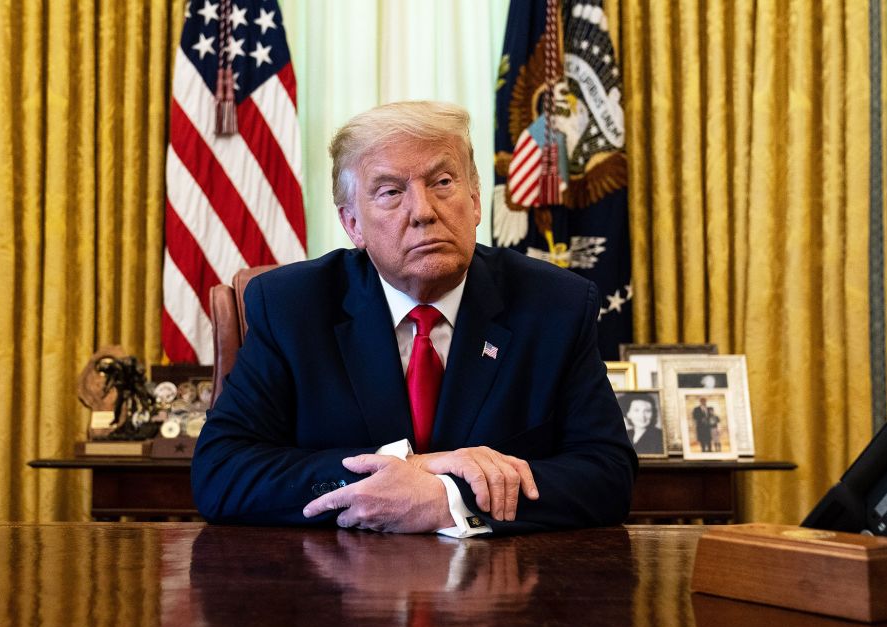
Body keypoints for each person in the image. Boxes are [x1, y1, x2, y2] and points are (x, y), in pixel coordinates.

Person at [191, 100, 637, 535]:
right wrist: (409, 468)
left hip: (500, 592)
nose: (423, 211)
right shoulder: (291, 305)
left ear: (476, 201)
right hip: (338, 596)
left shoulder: (554, 304)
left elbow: (607, 475)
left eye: (442, 182)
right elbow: (221, 471)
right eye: (390, 192)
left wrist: (447, 497)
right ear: (352, 225)